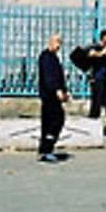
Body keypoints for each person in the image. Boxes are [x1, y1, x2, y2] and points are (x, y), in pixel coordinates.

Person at [37, 32, 70, 163]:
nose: (59, 45)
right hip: (49, 96)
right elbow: (49, 77)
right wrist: (56, 90)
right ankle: (45, 150)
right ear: (50, 42)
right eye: (57, 42)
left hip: (54, 95)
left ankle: (46, 149)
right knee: (54, 122)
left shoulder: (54, 58)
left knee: (54, 121)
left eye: (60, 42)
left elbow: (59, 77)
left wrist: (64, 91)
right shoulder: (46, 57)